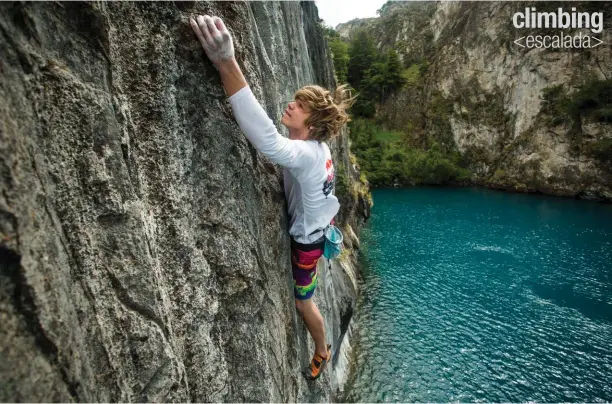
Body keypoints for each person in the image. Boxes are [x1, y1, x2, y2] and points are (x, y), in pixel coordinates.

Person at [190, 14, 355, 381]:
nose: (291, 105)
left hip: (309, 242)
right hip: (319, 227)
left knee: (303, 300)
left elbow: (266, 140)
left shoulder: (307, 152)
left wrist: (226, 62)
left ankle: (321, 349)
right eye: (295, 99)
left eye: (301, 106)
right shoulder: (317, 146)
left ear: (310, 125)